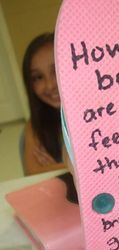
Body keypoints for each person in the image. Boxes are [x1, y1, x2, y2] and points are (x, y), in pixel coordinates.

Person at [22, 33, 66, 175]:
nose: (50, 85)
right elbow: (33, 172)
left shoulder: (101, 114)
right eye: (38, 77)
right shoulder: (36, 123)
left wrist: (58, 167)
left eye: (56, 70)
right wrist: (68, 167)